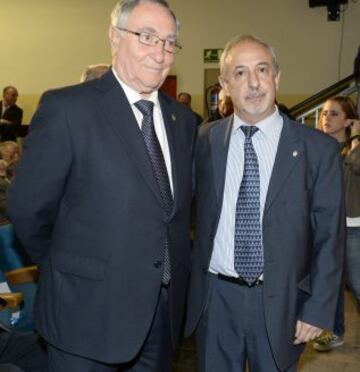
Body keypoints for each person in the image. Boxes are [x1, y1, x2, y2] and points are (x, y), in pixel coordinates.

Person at [7, 0, 196, 371]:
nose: (160, 53)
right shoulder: (67, 109)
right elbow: (28, 209)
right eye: (147, 37)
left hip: (160, 318)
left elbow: (174, 216)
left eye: (170, 42)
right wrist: (69, 268)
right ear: (114, 37)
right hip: (85, 316)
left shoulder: (182, 120)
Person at [185, 34, 345, 372]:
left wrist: (318, 308)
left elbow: (330, 238)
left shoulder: (318, 150)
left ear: (277, 76)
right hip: (216, 299)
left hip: (282, 301)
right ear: (224, 84)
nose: (254, 83)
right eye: (240, 73)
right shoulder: (204, 142)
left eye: (262, 69)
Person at [313, 96, 360, 351]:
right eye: (324, 113)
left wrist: (355, 140)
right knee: (331, 283)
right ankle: (335, 331)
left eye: (334, 114)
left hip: (353, 227)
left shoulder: (354, 150)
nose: (326, 118)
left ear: (348, 121)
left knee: (357, 284)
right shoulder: (318, 146)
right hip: (325, 227)